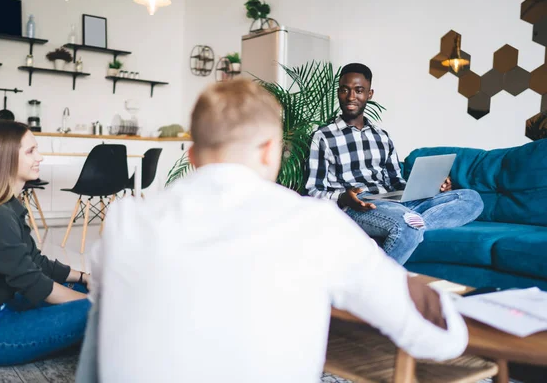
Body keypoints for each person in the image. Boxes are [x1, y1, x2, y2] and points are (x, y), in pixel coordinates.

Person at [77, 79, 468, 383]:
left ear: (192, 157)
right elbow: (436, 340)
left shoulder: (126, 222)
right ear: (269, 151)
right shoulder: (314, 225)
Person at [306, 63, 484, 264]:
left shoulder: (382, 136)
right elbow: (313, 190)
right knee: (405, 227)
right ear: (338, 92)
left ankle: (414, 221)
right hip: (361, 205)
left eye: (359, 90)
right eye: (345, 90)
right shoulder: (323, 136)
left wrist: (431, 188)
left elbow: (396, 182)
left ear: (369, 94)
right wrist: (343, 198)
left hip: (395, 201)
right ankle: (375, 280)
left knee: (471, 198)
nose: (351, 97)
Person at [0, 121, 90, 367]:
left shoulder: (6, 207)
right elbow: (34, 283)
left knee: (90, 294)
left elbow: (36, 263)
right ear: (6, 159)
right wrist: (97, 303)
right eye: (31, 151)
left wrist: (85, 277)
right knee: (102, 309)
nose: (40, 157)